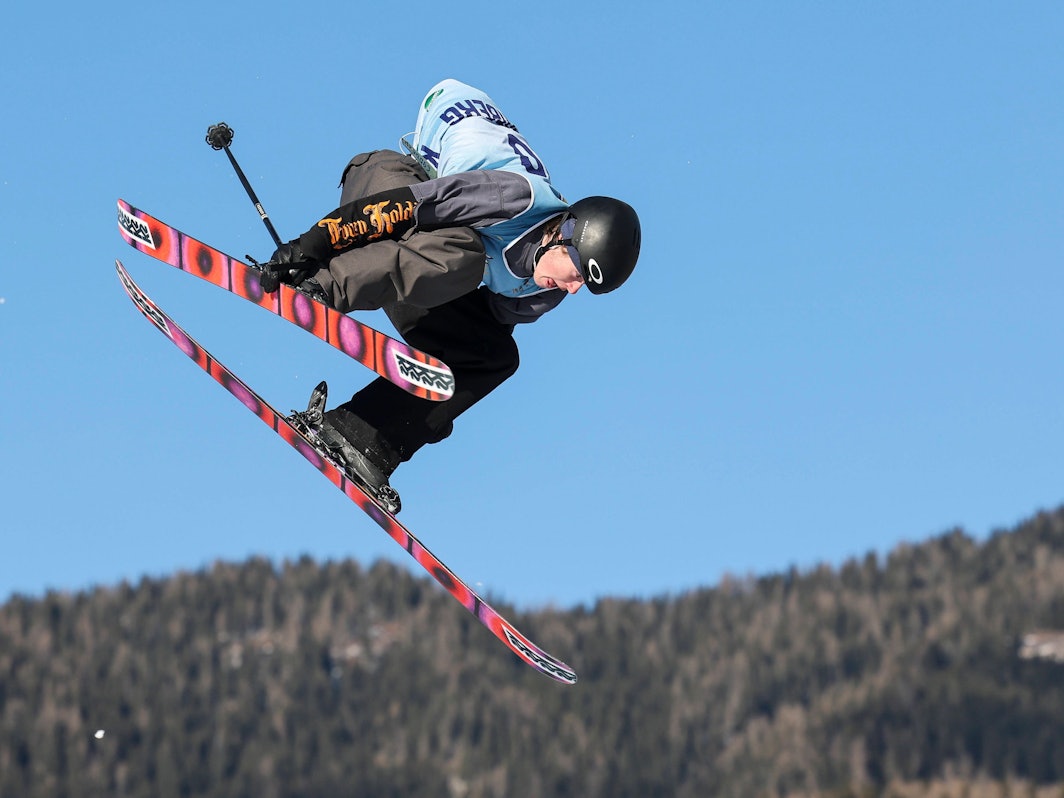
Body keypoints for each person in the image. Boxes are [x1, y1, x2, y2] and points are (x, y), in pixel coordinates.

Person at [259, 79, 641, 513]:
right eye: (576, 273)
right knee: (463, 255)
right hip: (384, 190)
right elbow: (398, 208)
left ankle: (360, 437)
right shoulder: (511, 197)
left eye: (583, 286)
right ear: (561, 234)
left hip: (415, 261)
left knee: (495, 355)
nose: (573, 288)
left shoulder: (543, 293)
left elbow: (465, 339)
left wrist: (434, 408)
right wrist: (310, 252)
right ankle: (324, 288)